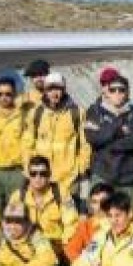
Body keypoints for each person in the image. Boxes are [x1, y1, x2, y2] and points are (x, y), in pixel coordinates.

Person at [22, 70, 91, 205]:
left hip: (69, 179)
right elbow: (27, 144)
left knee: (70, 214)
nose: (54, 93)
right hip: (42, 178)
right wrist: (29, 170)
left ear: (64, 90)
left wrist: (81, 169)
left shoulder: (77, 113)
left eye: (58, 88)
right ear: (45, 91)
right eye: (50, 89)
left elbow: (85, 144)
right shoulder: (36, 113)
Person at [11, 154, 76, 266]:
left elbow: (71, 223)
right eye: (34, 173)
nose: (38, 177)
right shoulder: (18, 196)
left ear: (49, 174)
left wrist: (63, 244)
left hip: (55, 248)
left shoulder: (62, 193)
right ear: (28, 175)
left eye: (43, 173)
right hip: (28, 248)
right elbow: (12, 229)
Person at [84, 67, 133, 194]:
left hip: (128, 177)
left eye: (121, 90)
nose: (117, 93)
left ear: (127, 92)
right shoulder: (95, 112)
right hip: (102, 175)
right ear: (107, 92)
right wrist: (118, 130)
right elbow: (93, 138)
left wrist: (107, 142)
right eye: (113, 90)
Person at [0, 75, 29, 212]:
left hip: (16, 173)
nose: (4, 97)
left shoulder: (23, 116)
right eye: (0, 94)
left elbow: (28, 145)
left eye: (8, 94)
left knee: (15, 213)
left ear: (14, 95)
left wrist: (27, 171)